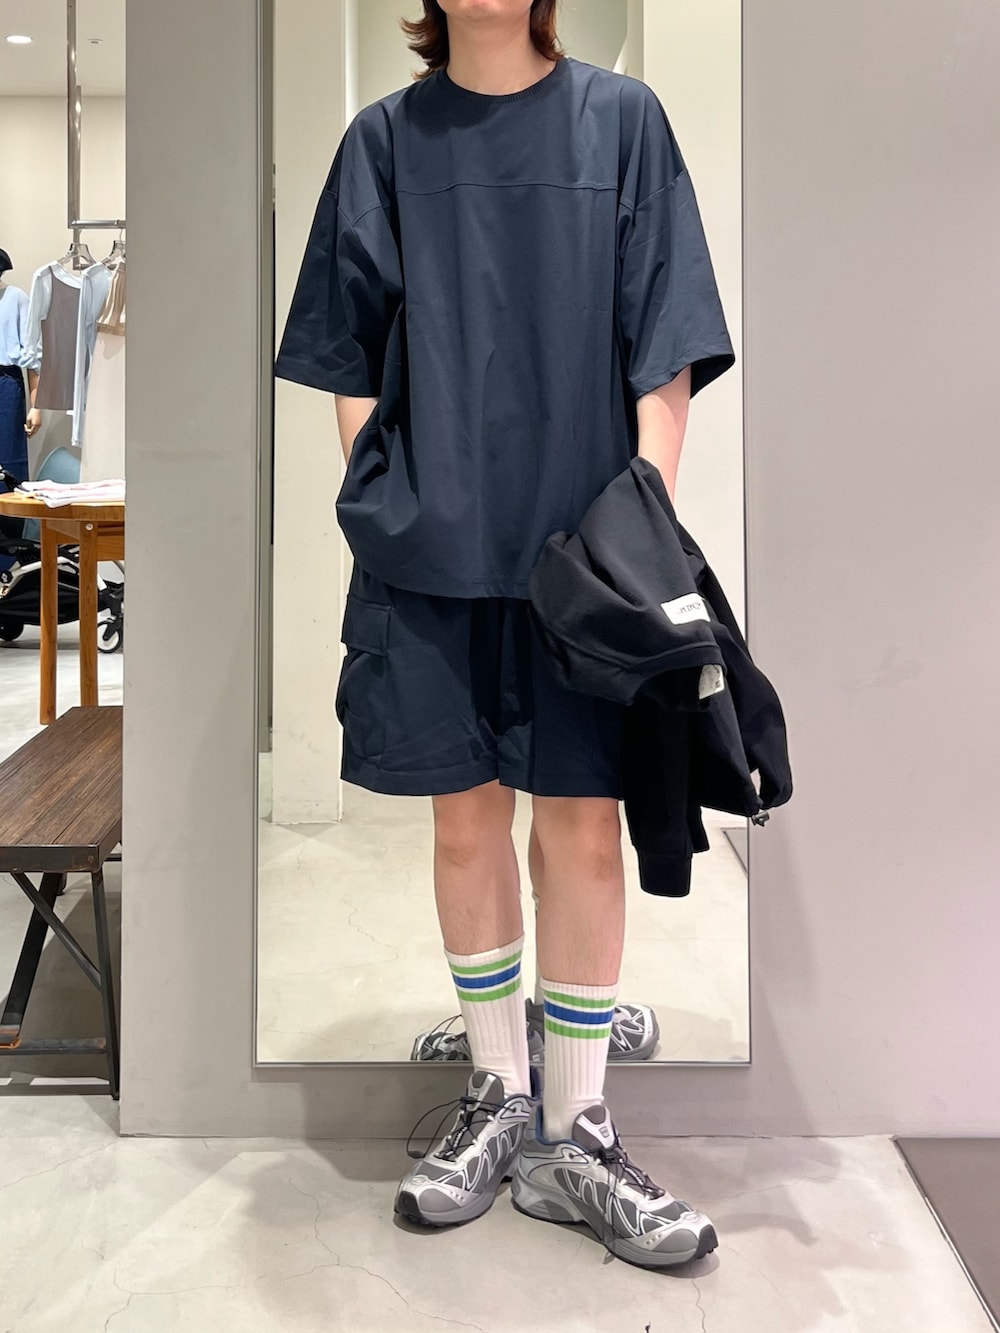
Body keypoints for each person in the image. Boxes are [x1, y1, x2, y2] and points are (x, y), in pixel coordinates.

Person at [275, 0, 734, 1268]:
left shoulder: (620, 123)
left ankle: (576, 1128)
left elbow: (666, 342)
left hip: (582, 556)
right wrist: (387, 497)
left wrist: (639, 525)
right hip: (432, 555)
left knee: (582, 824)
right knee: (462, 819)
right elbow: (347, 348)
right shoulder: (383, 143)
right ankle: (496, 1088)